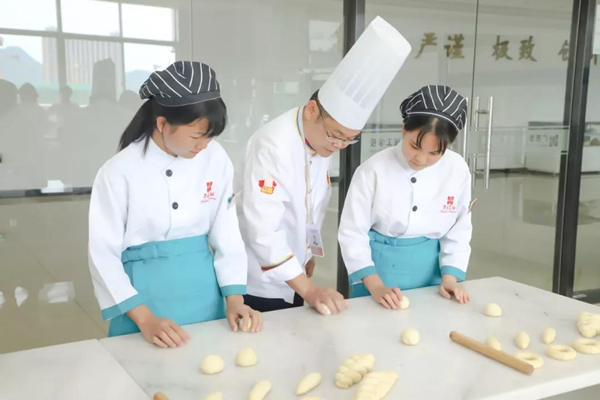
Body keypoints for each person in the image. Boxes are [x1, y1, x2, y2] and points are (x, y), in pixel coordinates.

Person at [235, 17, 411, 314]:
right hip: (258, 276)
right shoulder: (273, 146)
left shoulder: (318, 139)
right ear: (311, 110)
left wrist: (307, 254)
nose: (338, 145)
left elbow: (308, 203)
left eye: (349, 139)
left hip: (295, 270)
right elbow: (262, 230)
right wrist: (308, 288)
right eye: (335, 135)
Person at [88, 61, 262, 347]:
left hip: (204, 292)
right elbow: (102, 254)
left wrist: (235, 300)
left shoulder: (215, 158)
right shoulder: (118, 171)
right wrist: (145, 319)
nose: (203, 145)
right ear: (162, 124)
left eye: (210, 137)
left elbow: (227, 233)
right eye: (196, 136)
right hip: (141, 300)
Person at [338, 85, 473, 309]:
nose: (421, 158)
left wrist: (450, 279)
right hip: (378, 276)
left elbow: (459, 228)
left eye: (434, 153)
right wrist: (376, 286)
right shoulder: (373, 170)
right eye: (414, 146)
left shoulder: (457, 169)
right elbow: (352, 232)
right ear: (403, 129)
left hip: (433, 277)